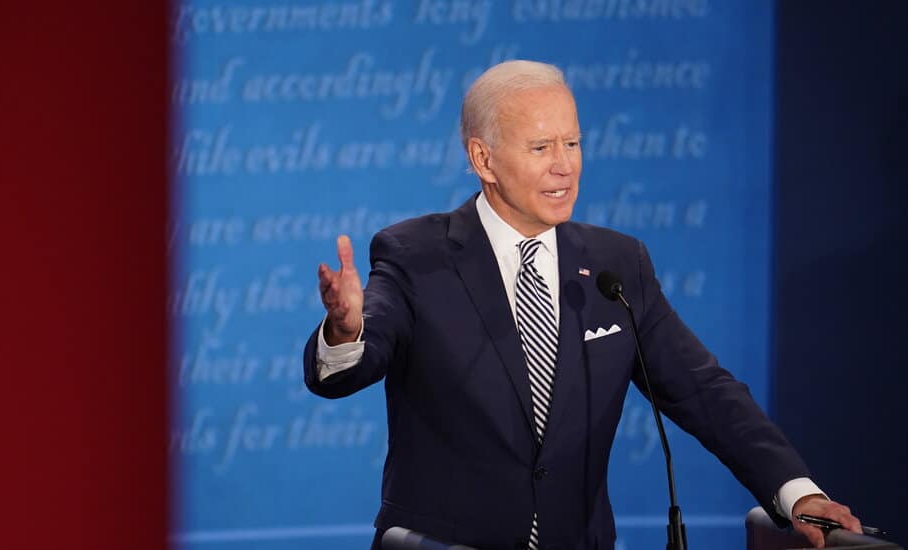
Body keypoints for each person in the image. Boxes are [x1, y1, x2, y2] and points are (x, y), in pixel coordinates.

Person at [305, 60, 860, 550]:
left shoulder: (617, 265)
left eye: (572, 143)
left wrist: (796, 493)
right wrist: (346, 329)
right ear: (484, 158)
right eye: (541, 147)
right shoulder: (416, 254)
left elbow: (703, 390)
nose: (564, 166)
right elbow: (349, 367)